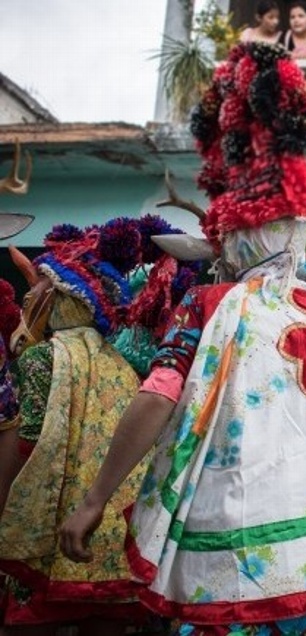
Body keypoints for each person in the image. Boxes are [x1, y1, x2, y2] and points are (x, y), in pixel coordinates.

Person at [58, 43, 306, 635]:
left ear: (232, 239)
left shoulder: (207, 308)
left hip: (219, 561)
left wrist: (97, 497)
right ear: (297, 235)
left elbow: (157, 397)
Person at [0, 216, 192, 635]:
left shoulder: (41, 359)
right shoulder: (122, 365)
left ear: (61, 297)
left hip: (51, 542)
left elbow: (25, 445)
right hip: (109, 551)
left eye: (40, 286)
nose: (30, 293)